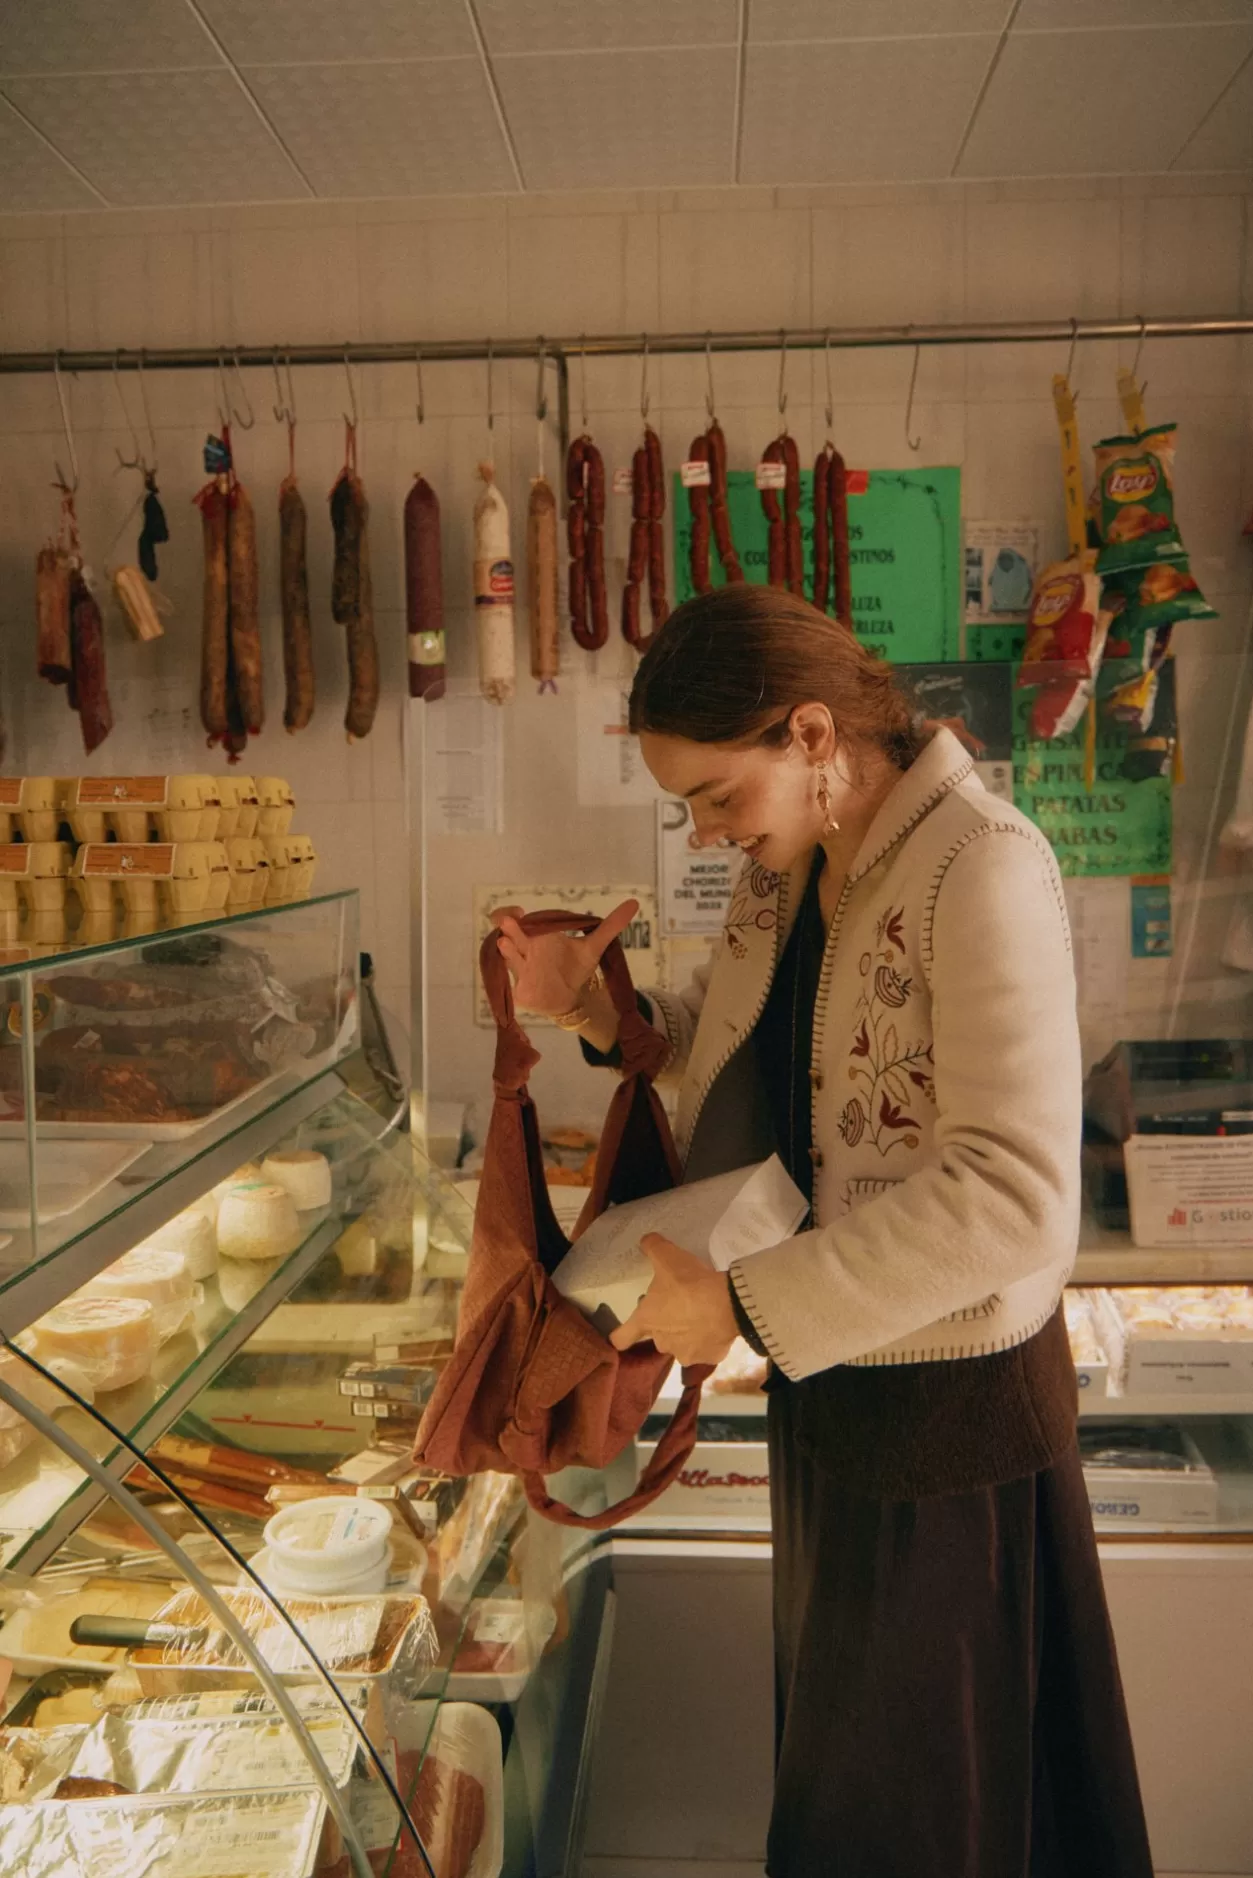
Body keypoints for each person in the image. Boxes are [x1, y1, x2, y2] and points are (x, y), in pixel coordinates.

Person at [492, 585, 1153, 1878]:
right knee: (856, 1796)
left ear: (810, 734)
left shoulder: (982, 862)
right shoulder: (799, 864)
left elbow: (1016, 1190)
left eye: (719, 796)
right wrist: (598, 1012)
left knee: (919, 1817)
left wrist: (740, 1308)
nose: (711, 829)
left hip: (950, 1419)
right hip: (841, 1391)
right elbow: (747, 1049)